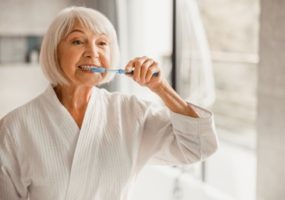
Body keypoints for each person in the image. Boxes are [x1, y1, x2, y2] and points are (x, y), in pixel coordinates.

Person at [0, 6, 218, 200]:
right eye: (78, 41)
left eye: (102, 43)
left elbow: (198, 147)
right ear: (54, 51)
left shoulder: (131, 113)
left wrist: (161, 87)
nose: (93, 53)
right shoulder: (15, 127)